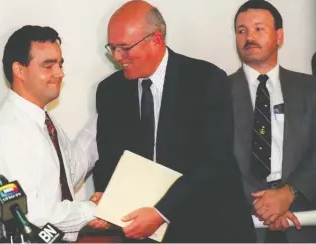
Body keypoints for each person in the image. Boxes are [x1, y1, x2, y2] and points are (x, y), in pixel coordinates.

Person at [92, 0, 256, 242]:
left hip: (208, 226)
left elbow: (213, 161)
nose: (118, 57)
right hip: (141, 231)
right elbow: (108, 158)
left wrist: (161, 212)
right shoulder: (110, 91)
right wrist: (105, 196)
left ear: (156, 40)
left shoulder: (206, 80)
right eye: (112, 48)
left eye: (125, 48)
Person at [0, 25, 105, 242]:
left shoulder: (42, 120)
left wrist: (106, 117)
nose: (60, 74)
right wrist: (90, 210)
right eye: (48, 65)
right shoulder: (6, 133)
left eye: (60, 64)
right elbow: (29, 214)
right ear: (19, 70)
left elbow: (68, 173)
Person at [229, 1, 316, 242]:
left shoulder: (310, 89)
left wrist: (288, 193)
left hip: (303, 218)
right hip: (242, 221)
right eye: (241, 30)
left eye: (259, 29)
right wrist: (264, 206)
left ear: (279, 36)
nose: (249, 37)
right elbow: (214, 158)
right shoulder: (218, 93)